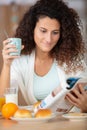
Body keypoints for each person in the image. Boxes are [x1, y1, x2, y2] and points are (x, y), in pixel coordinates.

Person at [0, 0, 87, 112]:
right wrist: (7, 65)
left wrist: (85, 107)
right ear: (32, 29)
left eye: (55, 32)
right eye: (43, 31)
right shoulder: (21, 61)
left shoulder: (73, 60)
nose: (48, 39)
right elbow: (2, 100)